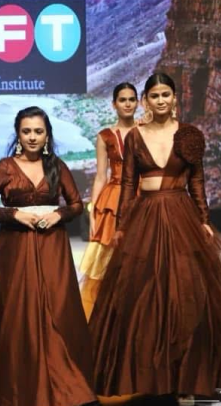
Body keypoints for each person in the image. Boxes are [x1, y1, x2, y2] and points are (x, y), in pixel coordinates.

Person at [89, 73, 221, 403]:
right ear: (146, 100)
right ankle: (151, 376)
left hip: (180, 216)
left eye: (166, 94)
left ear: (174, 98)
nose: (160, 100)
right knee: (145, 296)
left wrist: (204, 219)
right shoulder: (136, 136)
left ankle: (186, 377)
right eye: (154, 95)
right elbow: (129, 184)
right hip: (145, 218)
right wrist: (121, 225)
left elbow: (197, 182)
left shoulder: (189, 135)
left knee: (186, 294)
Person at [0, 106, 97, 406]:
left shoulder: (56, 166)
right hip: (15, 247)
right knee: (16, 310)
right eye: (26, 131)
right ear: (18, 134)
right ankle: (17, 384)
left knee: (55, 307)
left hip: (52, 245)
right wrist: (14, 214)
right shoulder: (5, 167)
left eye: (38, 131)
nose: (32, 137)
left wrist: (59, 215)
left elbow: (76, 204)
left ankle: (62, 379)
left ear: (47, 135)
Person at [80, 82, 139, 321]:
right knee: (107, 259)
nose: (127, 104)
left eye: (132, 99)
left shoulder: (145, 130)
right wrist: (93, 209)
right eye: (123, 100)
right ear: (114, 104)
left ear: (138, 102)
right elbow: (100, 176)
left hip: (141, 197)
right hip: (113, 199)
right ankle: (108, 318)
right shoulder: (105, 136)